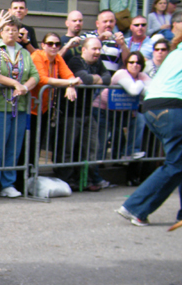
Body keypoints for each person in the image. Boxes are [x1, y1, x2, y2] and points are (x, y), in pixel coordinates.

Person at [117, 16, 182, 228]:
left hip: (153, 106)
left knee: (178, 162)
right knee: (175, 163)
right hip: (172, 108)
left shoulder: (174, 53)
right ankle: (135, 207)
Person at [0, 16, 39, 199]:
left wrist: (24, 87)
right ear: (1, 31)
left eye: (15, 29)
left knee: (14, 147)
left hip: (19, 107)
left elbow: (35, 75)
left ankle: (8, 183)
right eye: (8, 29)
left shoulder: (24, 53)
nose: (12, 33)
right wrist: (15, 83)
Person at [59, 37, 112, 191]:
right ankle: (66, 181)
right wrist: (96, 79)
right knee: (68, 149)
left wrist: (95, 79)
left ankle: (85, 180)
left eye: (99, 49)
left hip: (88, 113)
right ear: (84, 50)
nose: (97, 52)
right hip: (70, 113)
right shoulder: (76, 61)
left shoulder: (98, 63)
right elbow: (86, 79)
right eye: (94, 49)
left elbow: (108, 79)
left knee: (90, 148)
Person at [27, 32, 81, 171]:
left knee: (38, 143)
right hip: (29, 107)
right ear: (43, 45)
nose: (54, 46)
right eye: (50, 43)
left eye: (57, 44)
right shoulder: (37, 56)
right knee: (29, 143)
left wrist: (70, 85)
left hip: (44, 107)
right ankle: (23, 178)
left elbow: (69, 75)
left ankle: (32, 174)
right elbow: (42, 79)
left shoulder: (57, 58)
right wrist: (68, 82)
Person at [92, 51, 150, 165]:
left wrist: (140, 83)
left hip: (122, 111)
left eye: (138, 62)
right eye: (131, 62)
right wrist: (141, 83)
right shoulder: (121, 73)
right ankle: (96, 169)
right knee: (102, 140)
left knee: (140, 119)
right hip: (102, 109)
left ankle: (131, 152)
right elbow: (133, 90)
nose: (134, 65)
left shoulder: (141, 76)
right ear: (126, 63)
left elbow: (152, 90)